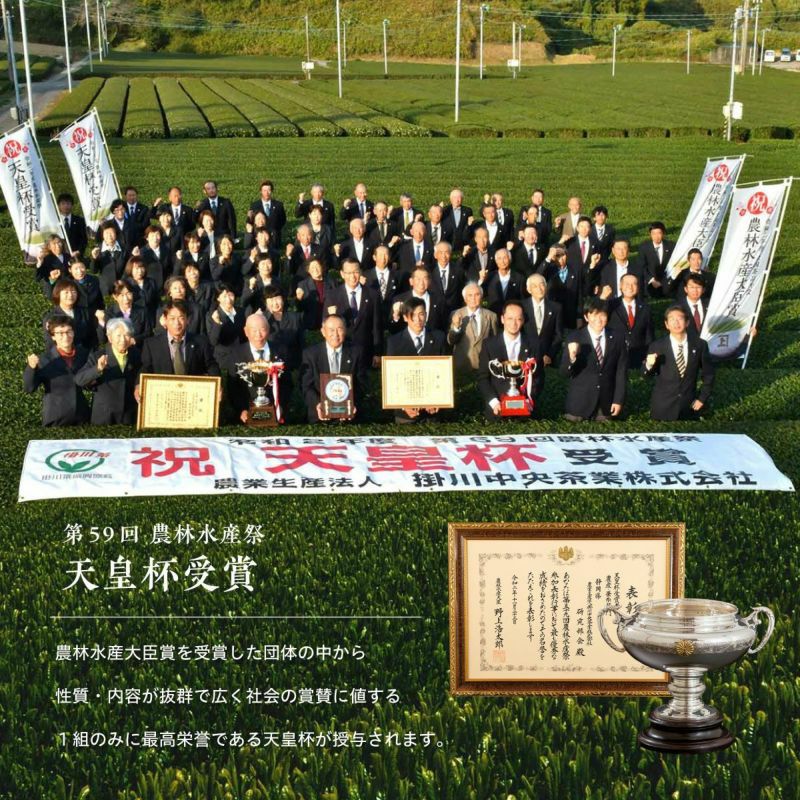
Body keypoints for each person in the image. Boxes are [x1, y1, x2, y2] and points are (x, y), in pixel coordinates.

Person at [642, 305, 715, 420]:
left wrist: (702, 398)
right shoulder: (657, 346)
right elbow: (645, 375)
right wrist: (649, 365)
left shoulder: (700, 345)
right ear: (666, 324)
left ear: (687, 322)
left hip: (689, 407)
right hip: (662, 408)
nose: (676, 323)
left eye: (680, 319)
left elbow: (709, 374)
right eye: (672, 319)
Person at [560, 297, 627, 422]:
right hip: (579, 405)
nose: (599, 319)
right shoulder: (574, 337)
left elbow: (621, 371)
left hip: (605, 405)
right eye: (594, 314)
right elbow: (564, 372)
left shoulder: (617, 337)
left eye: (602, 315)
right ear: (586, 317)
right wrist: (572, 358)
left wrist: (618, 400)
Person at [478, 300, 544, 420]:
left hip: (526, 411)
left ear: (523, 320)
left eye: (518, 319)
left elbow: (538, 377)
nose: (514, 323)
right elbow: (483, 378)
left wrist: (528, 400)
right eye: (510, 318)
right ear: (502, 319)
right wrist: (494, 402)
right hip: (497, 410)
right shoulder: (489, 345)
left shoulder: (534, 344)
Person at [385, 297, 448, 423]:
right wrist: (403, 405)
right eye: (412, 315)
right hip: (405, 414)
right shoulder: (394, 342)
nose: (418, 320)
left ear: (426, 315)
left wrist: (438, 400)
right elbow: (391, 378)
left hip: (433, 411)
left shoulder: (439, 337)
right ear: (405, 317)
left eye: (421, 314)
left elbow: (445, 373)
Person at [299, 314, 368, 423]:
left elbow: (362, 383)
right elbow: (306, 386)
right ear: (323, 332)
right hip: (319, 417)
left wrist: (352, 404)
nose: (335, 334)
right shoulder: (311, 354)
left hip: (350, 417)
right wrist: (318, 404)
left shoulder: (356, 353)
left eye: (339, 329)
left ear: (345, 330)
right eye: (331, 330)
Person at [24, 315, 90, 426]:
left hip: (82, 416)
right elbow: (29, 388)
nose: (65, 336)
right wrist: (31, 368)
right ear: (53, 336)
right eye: (60, 333)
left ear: (73, 333)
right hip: (55, 417)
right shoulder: (44, 359)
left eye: (68, 331)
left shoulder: (84, 354)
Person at [226, 312, 291, 424]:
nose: (258, 335)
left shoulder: (281, 351)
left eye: (262, 330)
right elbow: (233, 387)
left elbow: (287, 383)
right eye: (254, 330)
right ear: (246, 332)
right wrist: (241, 410)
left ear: (268, 330)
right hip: (246, 416)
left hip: (276, 414)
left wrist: (280, 407)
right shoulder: (236, 354)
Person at [75, 317, 141, 425]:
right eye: (118, 335)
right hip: (104, 416)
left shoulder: (136, 354)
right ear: (110, 337)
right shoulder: (98, 355)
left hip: (128, 415)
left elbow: (141, 374)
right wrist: (97, 369)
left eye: (126, 335)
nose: (123, 339)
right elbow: (79, 380)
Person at [323, 260, 383, 366]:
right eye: (348, 273)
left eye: (355, 272)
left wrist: (378, 352)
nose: (352, 276)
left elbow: (377, 326)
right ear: (342, 274)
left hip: (365, 351)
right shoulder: (332, 296)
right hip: (341, 350)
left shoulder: (373, 295)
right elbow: (326, 323)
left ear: (360, 272)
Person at [141, 299, 219, 376]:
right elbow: (145, 370)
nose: (177, 323)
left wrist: (216, 381)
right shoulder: (152, 345)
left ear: (187, 320)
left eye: (181, 318)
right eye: (172, 318)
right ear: (165, 319)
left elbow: (211, 366)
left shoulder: (201, 342)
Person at [448, 281, 499, 372]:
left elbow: (495, 342)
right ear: (465, 298)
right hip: (462, 367)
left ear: (481, 297)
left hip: (484, 366)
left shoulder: (491, 316)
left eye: (477, 295)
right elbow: (451, 341)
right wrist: (456, 327)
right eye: (470, 295)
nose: (473, 298)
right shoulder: (456, 314)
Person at [606, 273, 654, 369]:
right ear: (620, 286)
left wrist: (650, 354)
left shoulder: (645, 308)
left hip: (639, 358)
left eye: (634, 284)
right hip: (615, 358)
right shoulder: (611, 305)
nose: (630, 287)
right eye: (627, 284)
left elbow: (649, 334)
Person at [390, 266, 447, 333]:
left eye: (425, 279)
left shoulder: (439, 300)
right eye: (418, 279)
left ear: (429, 281)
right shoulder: (400, 300)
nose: (421, 283)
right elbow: (392, 328)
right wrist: (396, 316)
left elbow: (444, 325)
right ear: (411, 281)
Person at [522, 273, 563, 367]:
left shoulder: (556, 308)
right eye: (535, 286)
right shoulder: (522, 307)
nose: (539, 289)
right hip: (524, 357)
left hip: (546, 358)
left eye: (542, 285)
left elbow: (558, 335)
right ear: (529, 290)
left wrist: (549, 354)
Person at [43, 278, 95, 351]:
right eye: (66, 292)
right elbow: (50, 343)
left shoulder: (85, 312)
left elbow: (92, 337)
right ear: (58, 294)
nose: (70, 295)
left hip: (85, 353)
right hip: (62, 355)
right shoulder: (51, 317)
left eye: (73, 291)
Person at [263, 287, 305, 372]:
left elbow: (302, 345)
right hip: (269, 367)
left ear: (283, 299)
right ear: (266, 302)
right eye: (271, 299)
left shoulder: (295, 318)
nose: (275, 303)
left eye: (277, 298)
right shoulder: (262, 319)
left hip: (292, 367)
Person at [207, 283, 247, 367]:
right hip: (223, 359)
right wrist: (217, 323)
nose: (228, 299)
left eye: (231, 295)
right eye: (224, 296)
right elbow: (213, 341)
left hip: (242, 356)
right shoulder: (212, 315)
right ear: (218, 298)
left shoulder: (241, 312)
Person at [97, 280, 150, 344]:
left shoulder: (142, 311)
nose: (126, 299)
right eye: (122, 295)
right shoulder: (109, 313)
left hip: (137, 347)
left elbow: (148, 333)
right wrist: (101, 321)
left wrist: (135, 339)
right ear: (115, 297)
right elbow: (102, 340)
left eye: (128, 294)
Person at [636, 222, 674, 297]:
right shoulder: (644, 247)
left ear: (663, 233)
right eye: (653, 233)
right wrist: (651, 280)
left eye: (659, 233)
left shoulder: (671, 246)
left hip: (666, 280)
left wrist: (664, 281)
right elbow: (641, 266)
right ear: (650, 234)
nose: (656, 236)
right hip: (650, 281)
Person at [482, 248, 525, 317]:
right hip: (493, 315)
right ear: (496, 261)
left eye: (505, 258)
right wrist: (481, 280)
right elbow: (483, 297)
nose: (502, 261)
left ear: (510, 259)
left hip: (512, 316)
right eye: (499, 258)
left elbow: (522, 299)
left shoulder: (519, 278)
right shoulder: (489, 277)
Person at [430, 241, 466, 317]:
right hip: (434, 313)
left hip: (454, 312)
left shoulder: (458, 271)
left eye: (446, 252)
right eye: (441, 252)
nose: (444, 256)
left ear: (450, 254)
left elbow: (462, 291)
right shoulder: (429, 271)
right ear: (435, 255)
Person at [91, 222, 126, 296]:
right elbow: (94, 271)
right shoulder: (97, 249)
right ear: (102, 235)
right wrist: (94, 258)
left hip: (122, 288)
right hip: (105, 289)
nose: (109, 236)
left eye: (111, 232)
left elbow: (127, 268)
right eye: (106, 233)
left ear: (116, 233)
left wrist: (123, 280)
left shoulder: (124, 248)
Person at [248, 180, 287, 247]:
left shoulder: (278, 205)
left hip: (274, 240)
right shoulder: (254, 206)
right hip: (259, 240)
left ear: (271, 191)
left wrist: (275, 230)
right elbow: (250, 221)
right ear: (261, 191)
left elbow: (282, 220)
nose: (267, 193)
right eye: (264, 190)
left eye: (269, 190)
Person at [124, 257, 160, 329]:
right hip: (134, 321)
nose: (140, 271)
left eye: (142, 268)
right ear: (131, 269)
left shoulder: (151, 282)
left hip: (151, 320)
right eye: (137, 268)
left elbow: (157, 301)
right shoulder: (126, 284)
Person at [139, 225, 171, 290]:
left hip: (165, 287)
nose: (155, 238)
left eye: (157, 235)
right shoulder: (142, 252)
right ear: (147, 238)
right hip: (150, 287)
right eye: (152, 235)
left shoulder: (166, 250)